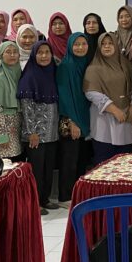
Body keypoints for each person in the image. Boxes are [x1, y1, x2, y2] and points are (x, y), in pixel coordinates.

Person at [84, 32, 132, 164]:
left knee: (127, 164)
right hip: (104, 122)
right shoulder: (93, 68)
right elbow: (91, 92)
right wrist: (114, 109)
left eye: (110, 43)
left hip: (127, 119)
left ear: (116, 45)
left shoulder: (125, 64)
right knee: (104, 163)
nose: (107, 46)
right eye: (103, 44)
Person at [17, 41, 60, 214]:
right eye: (40, 52)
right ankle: (35, 203)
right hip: (36, 135)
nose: (44, 56)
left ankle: (45, 199)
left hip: (52, 133)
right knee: (36, 170)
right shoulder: (29, 76)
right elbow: (26, 108)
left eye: (47, 52)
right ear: (34, 55)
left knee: (48, 169)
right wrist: (31, 133)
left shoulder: (53, 73)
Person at [56, 32, 92, 202]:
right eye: (76, 44)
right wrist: (72, 121)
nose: (80, 47)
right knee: (69, 160)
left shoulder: (86, 63)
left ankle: (78, 195)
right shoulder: (65, 66)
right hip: (71, 119)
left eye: (83, 44)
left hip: (85, 117)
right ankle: (66, 196)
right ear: (70, 46)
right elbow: (64, 96)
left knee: (81, 159)